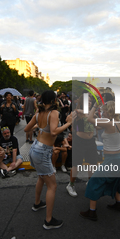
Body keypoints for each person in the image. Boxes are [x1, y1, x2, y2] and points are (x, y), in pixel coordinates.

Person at [25, 90, 72, 229]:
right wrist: (69, 123)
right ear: (53, 100)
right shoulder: (54, 113)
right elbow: (53, 131)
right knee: (52, 186)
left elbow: (26, 129)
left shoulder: (38, 112)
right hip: (43, 151)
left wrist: (38, 126)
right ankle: (48, 221)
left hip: (35, 148)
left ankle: (37, 203)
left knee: (41, 176)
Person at [79, 101, 120, 221]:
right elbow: (97, 126)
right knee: (115, 182)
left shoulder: (108, 122)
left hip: (111, 161)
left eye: (104, 110)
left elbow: (89, 119)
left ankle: (92, 212)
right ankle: (119, 204)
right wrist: (95, 117)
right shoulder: (118, 122)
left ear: (109, 111)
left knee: (93, 183)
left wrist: (94, 106)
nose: (102, 112)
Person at [66, 94, 98, 197]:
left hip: (91, 141)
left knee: (93, 163)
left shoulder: (92, 113)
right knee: (76, 165)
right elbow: (67, 119)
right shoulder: (77, 112)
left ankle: (90, 182)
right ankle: (70, 185)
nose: (89, 103)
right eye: (87, 101)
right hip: (79, 141)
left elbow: (98, 125)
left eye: (90, 101)